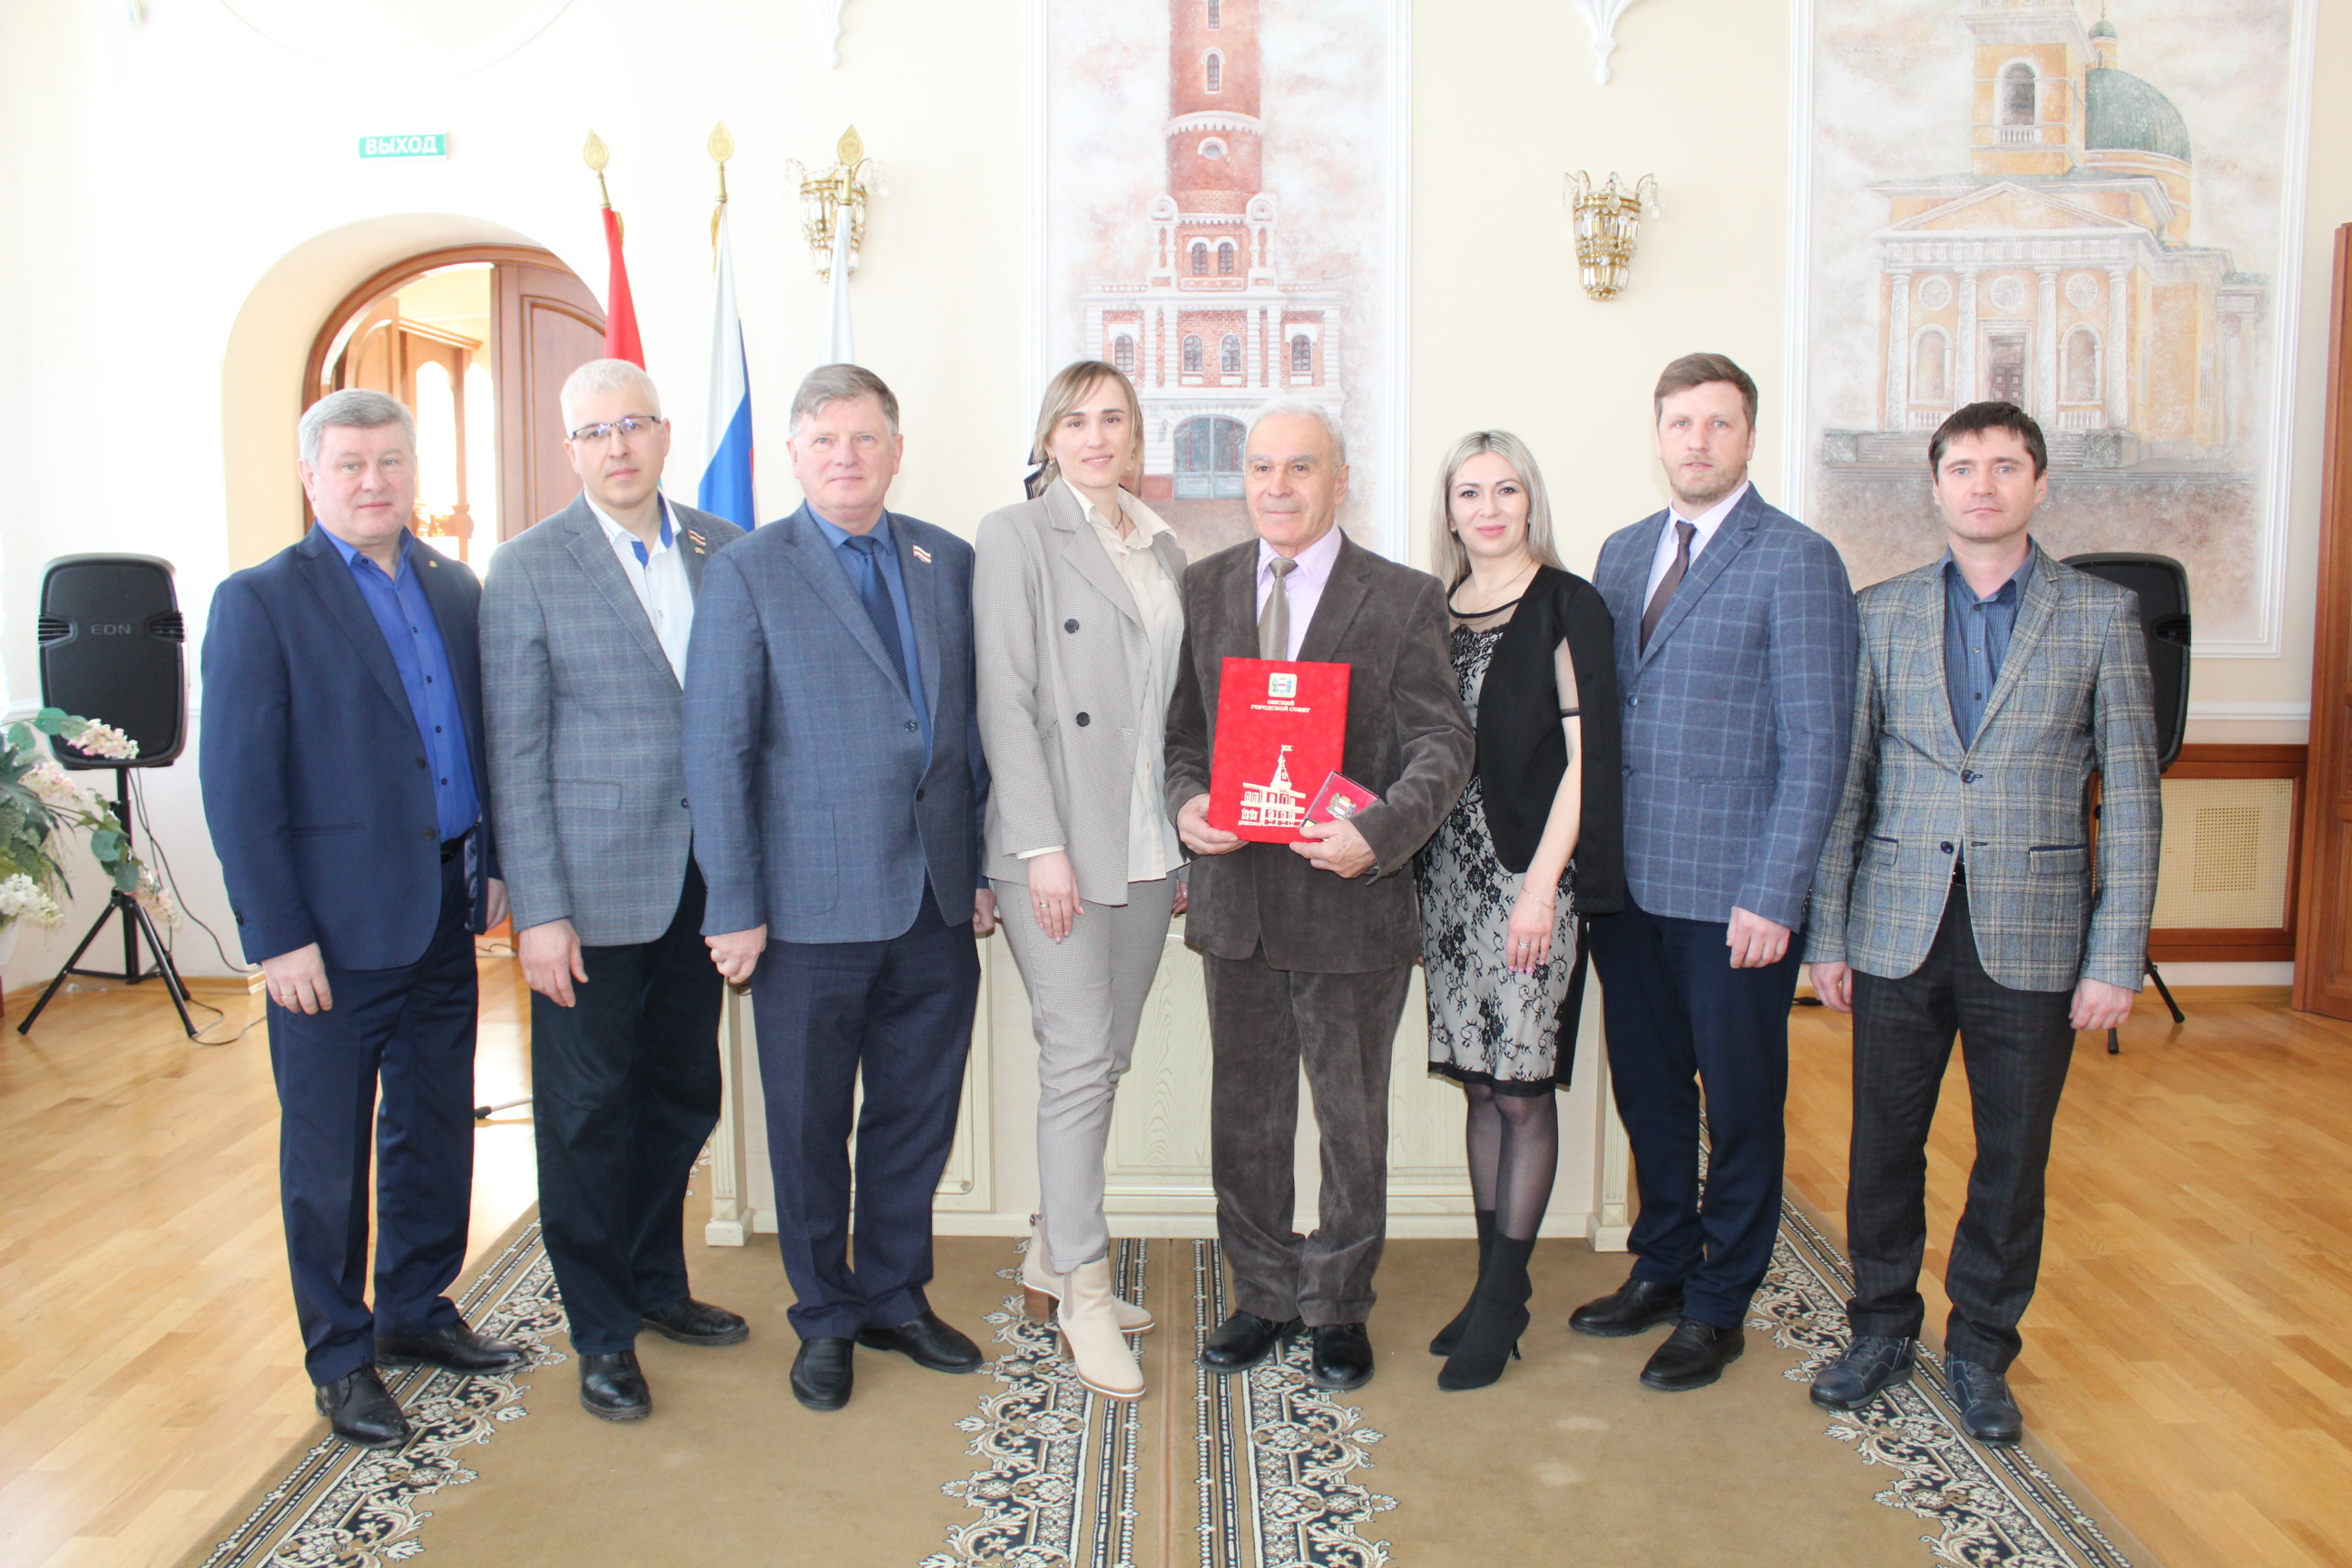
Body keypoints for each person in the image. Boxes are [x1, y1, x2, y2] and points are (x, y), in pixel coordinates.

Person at [1804, 401, 2158, 1443]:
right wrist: (1828, 933)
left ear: (2039, 484)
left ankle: (1980, 1351)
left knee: (2012, 1156)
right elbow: (1849, 786)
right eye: (1963, 468)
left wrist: (2116, 953)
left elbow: (2134, 795)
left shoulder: (2100, 617)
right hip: (1896, 926)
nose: (1984, 485)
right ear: (1937, 487)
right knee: (1884, 1145)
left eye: (2006, 467)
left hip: (2036, 935)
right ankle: (1880, 1327)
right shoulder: (1882, 613)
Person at [200, 389, 524, 1449]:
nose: (373, 481)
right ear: (312, 477)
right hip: (329, 934)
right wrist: (276, 935)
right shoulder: (260, 602)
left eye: (389, 461)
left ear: (413, 471)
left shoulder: (455, 586)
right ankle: (340, 1358)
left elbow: (480, 742)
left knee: (434, 1122)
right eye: (349, 464)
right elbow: (239, 788)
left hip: (444, 902)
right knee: (328, 1154)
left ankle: (415, 1308)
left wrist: (494, 864)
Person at [682, 364, 995, 1414]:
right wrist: (734, 903)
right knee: (810, 1126)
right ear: (793, 456)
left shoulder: (945, 559)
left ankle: (896, 1296)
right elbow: (717, 749)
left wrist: (977, 867)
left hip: (935, 903)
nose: (846, 458)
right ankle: (824, 1316)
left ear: (896, 450)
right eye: (825, 441)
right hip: (807, 911)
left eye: (865, 439)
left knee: (915, 1114)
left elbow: (969, 734)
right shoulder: (746, 571)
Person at [1165, 397, 1474, 1394]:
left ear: (1341, 481)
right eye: (1262, 467)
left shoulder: (1403, 596)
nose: (1279, 486)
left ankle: (1338, 1304)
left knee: (1351, 1123)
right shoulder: (1204, 587)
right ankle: (1262, 1294)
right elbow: (1181, 737)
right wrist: (1186, 802)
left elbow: (1443, 744)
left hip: (1352, 907)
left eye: (1302, 467)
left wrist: (1377, 833)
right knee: (1246, 1120)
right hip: (1238, 906)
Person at [1578, 353, 1859, 1393]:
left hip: (1735, 896)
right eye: (1680, 423)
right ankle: (1662, 1264)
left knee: (1739, 1105)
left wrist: (1776, 894)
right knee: (1648, 1091)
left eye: (1718, 423)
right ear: (1658, 435)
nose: (1696, 441)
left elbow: (1818, 746)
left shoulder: (1798, 560)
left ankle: (1719, 1302)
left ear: (1748, 436)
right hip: (1627, 886)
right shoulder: (1621, 553)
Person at [481, 359, 750, 1423]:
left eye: (633, 424)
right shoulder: (527, 566)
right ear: (571, 450)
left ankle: (655, 1283)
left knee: (681, 1095)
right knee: (586, 1115)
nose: (618, 446)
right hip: (588, 896)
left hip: (704, 883)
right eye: (595, 432)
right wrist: (538, 912)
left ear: (665, 433)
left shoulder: (724, 548)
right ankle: (600, 1332)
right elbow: (516, 753)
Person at [974, 360, 1186, 1400]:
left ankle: (1047, 1253)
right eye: (1076, 420)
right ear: (1049, 437)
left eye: (1114, 420)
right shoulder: (1016, 535)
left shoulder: (1162, 544)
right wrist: (1038, 846)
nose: (1097, 437)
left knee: (1107, 1058)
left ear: (1136, 437)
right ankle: (1085, 1295)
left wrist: (1182, 832)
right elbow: (1007, 700)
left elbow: (1173, 708)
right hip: (1054, 845)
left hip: (1144, 840)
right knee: (1074, 1061)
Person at [1414, 432, 1623, 1391]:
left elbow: (1588, 760)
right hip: (1447, 885)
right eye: (1470, 492)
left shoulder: (1567, 605)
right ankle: (1491, 1284)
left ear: (1530, 501)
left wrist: (1542, 887)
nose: (1489, 508)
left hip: (1529, 881)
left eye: (1506, 489)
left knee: (1522, 1089)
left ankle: (1503, 1302)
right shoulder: (1432, 610)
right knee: (1478, 1083)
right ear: (1449, 510)